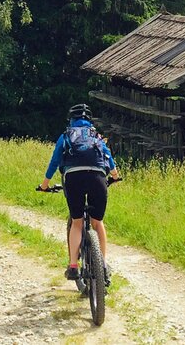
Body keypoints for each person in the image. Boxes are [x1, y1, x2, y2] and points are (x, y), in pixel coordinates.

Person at [38, 103, 119, 281]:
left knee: (76, 223)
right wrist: (115, 176)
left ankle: (73, 266)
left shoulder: (66, 135)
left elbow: (54, 161)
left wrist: (44, 185)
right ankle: (103, 265)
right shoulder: (96, 136)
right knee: (98, 222)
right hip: (97, 178)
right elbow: (108, 158)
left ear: (71, 119)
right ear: (89, 120)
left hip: (74, 178)